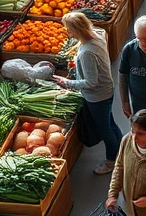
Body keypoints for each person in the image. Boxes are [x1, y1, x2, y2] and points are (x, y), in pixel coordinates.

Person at [51, 12, 122, 175]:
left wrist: (67, 83)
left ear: (77, 30)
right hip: (107, 90)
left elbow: (91, 82)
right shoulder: (98, 34)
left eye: (69, 29)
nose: (68, 32)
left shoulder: (87, 53)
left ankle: (111, 161)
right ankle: (121, 149)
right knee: (110, 123)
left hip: (97, 97)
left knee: (105, 129)